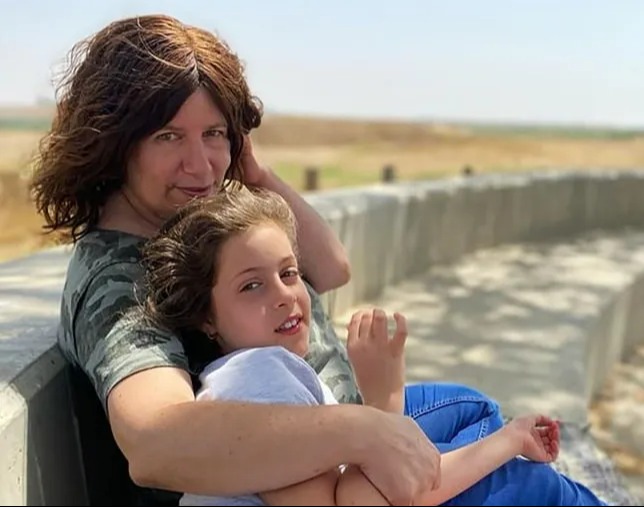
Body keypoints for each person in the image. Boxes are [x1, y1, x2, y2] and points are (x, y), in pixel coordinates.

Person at [27, 13, 604, 507]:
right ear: (113, 141)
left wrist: (254, 174)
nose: (202, 166)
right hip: (325, 469)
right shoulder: (120, 281)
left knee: (474, 408)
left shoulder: (192, 223)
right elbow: (156, 440)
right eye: (168, 137)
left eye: (215, 134)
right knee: (518, 477)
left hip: (337, 415)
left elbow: (330, 269)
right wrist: (361, 429)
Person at [139, 186, 606, 506]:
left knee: (471, 408)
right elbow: (379, 498)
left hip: (365, 482)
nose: (283, 294)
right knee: (532, 484)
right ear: (206, 316)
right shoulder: (256, 381)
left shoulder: (255, 370)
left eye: (288, 274)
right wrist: (384, 400)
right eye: (251, 287)